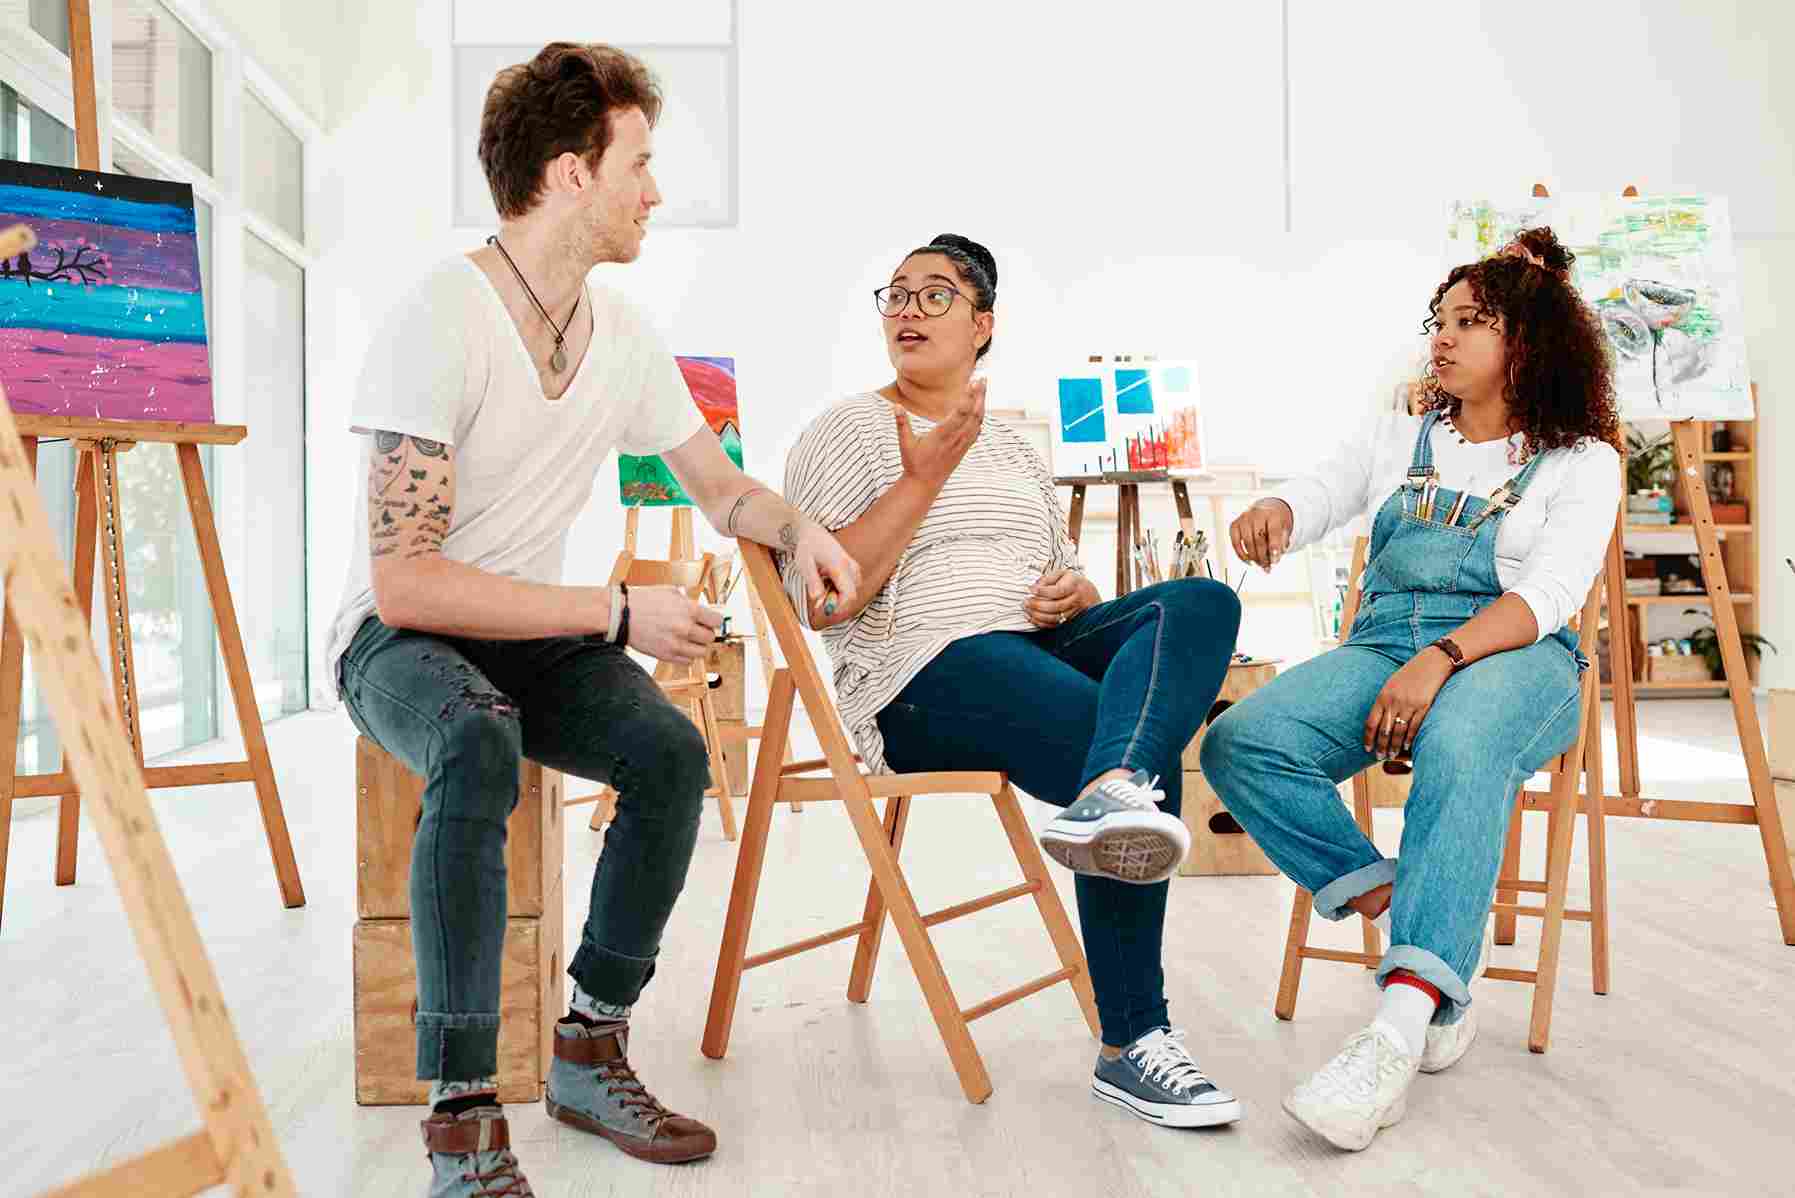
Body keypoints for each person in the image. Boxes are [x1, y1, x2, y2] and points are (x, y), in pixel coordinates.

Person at [325, 43, 860, 1196]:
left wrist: (798, 526)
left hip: (529, 635)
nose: (654, 193)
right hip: (397, 643)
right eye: (639, 164)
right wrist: (615, 611)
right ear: (571, 172)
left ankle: (589, 1046)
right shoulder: (439, 318)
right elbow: (405, 585)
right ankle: (463, 1114)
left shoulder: (620, 333)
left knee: (669, 754)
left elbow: (719, 488)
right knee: (475, 734)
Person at [779, 234, 1245, 1129]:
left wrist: (1075, 593)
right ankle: (1133, 1041)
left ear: (982, 324)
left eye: (935, 295)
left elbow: (1061, 572)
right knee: (1135, 761)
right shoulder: (847, 429)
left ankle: (1112, 788)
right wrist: (923, 478)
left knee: (1198, 602)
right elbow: (823, 604)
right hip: (921, 670)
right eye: (896, 294)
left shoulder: (1014, 444)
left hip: (1036, 645)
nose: (907, 309)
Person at [1202, 227, 1620, 1151]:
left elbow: (1548, 596)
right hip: (1385, 642)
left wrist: (1442, 660)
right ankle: (1411, 915)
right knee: (1244, 744)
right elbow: (1329, 486)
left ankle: (1395, 1031)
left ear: (1529, 341)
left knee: (1461, 742)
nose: (1443, 335)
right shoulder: (1404, 430)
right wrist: (1279, 508)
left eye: (1470, 321)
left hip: (1517, 656)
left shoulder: (1582, 460)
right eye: (1440, 319)